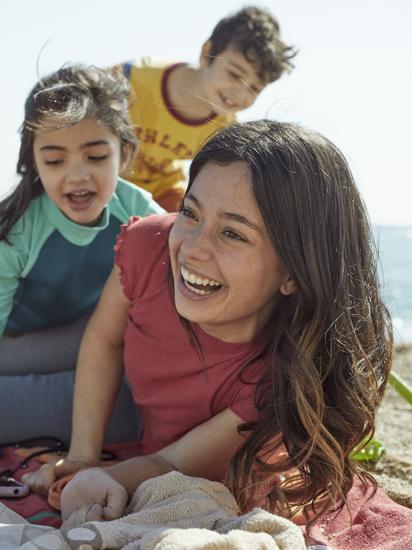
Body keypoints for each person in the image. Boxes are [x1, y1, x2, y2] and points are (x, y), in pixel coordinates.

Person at [25, 120, 392, 530]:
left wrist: (100, 479)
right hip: (120, 385)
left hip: (161, 436)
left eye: (233, 234)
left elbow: (169, 462)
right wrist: (82, 454)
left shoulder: (278, 381)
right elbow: (104, 340)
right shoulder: (151, 244)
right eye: (190, 212)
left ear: (294, 272)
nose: (193, 248)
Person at [0, 64, 163, 483]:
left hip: (59, 323)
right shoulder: (19, 232)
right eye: (55, 159)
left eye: (96, 156)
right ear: (34, 163)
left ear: (125, 153)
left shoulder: (140, 214)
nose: (77, 174)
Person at [118, 6, 296, 211]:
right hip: (110, 179)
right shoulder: (130, 78)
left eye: (255, 88)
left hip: (163, 193)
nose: (240, 94)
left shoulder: (225, 130)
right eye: (235, 75)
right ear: (207, 53)